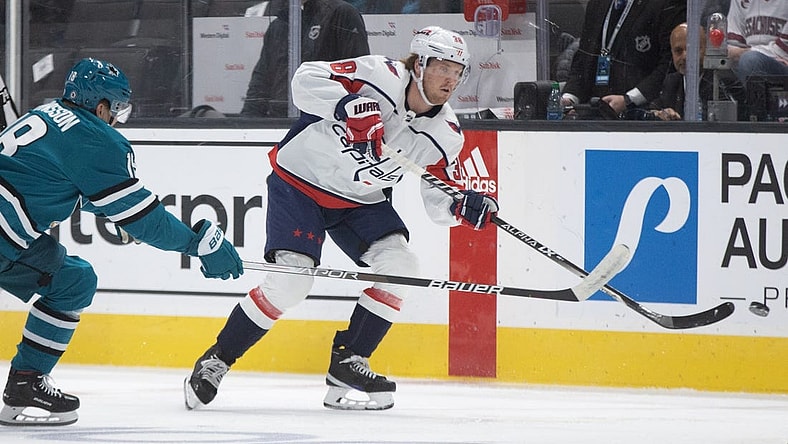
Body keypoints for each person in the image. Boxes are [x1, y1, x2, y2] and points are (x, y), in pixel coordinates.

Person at [185, 26, 498, 411]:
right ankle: (217, 358)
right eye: (442, 68)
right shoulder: (379, 76)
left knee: (401, 267)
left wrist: (462, 206)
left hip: (360, 200)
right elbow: (305, 79)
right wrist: (345, 105)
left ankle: (349, 361)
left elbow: (439, 198)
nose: (450, 79)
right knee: (292, 283)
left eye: (457, 71)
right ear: (419, 64)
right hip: (301, 182)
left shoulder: (445, 132)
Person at [0, 58, 244, 426]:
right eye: (117, 110)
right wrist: (199, 246)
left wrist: (111, 210)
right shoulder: (97, 139)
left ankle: (26, 384)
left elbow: (58, 180)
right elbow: (147, 222)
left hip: (9, 237)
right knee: (73, 283)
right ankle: (25, 381)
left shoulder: (48, 113)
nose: (116, 119)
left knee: (72, 278)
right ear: (101, 106)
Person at [240, 0, 371, 117]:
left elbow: (358, 77)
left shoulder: (340, 14)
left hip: (324, 123)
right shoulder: (278, 25)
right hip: (280, 122)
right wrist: (246, 125)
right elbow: (260, 82)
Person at [560, 0, 686, 117]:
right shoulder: (597, 3)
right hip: (596, 115)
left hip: (642, 116)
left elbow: (669, 64)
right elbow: (583, 58)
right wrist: (570, 97)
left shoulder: (666, 4)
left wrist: (629, 99)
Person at [648, 23, 747, 120]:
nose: (685, 56)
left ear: (706, 49)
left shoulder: (721, 79)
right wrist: (659, 114)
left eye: (692, 49)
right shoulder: (672, 81)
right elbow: (652, 109)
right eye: (678, 51)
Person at [726, 0, 788, 84]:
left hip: (783, 66)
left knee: (750, 60)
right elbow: (732, 46)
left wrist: (742, 53)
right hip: (746, 62)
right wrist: (739, 53)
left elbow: (782, 51)